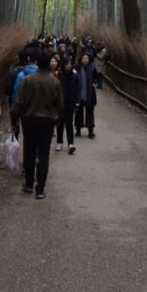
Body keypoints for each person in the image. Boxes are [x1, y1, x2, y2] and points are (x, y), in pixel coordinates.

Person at [11, 50, 64, 199]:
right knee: (44, 154)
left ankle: (28, 183)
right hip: (47, 123)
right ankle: (40, 188)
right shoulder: (54, 81)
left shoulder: (28, 80)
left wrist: (14, 120)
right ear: (49, 63)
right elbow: (60, 105)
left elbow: (18, 102)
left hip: (29, 121)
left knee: (29, 151)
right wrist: (57, 120)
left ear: (36, 62)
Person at [56, 57, 78, 154]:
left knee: (69, 123)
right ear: (63, 64)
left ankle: (71, 143)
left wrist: (77, 102)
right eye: (67, 63)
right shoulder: (59, 75)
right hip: (60, 103)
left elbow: (78, 89)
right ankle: (59, 141)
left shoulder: (75, 75)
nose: (69, 65)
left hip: (70, 103)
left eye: (70, 63)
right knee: (60, 123)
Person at [74, 51, 97, 138]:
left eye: (87, 58)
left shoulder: (92, 67)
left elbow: (95, 77)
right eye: (83, 58)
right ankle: (78, 129)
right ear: (81, 59)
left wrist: (94, 83)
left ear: (89, 59)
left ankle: (91, 130)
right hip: (79, 93)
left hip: (89, 93)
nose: (85, 60)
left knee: (90, 112)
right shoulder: (77, 67)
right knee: (78, 112)